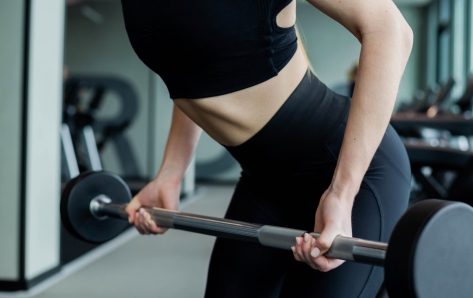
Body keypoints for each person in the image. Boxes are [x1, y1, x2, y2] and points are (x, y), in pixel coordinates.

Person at [122, 0, 413, 297]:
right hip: (264, 182)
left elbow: (390, 29)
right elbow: (195, 70)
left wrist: (342, 193)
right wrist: (170, 175)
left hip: (349, 174)